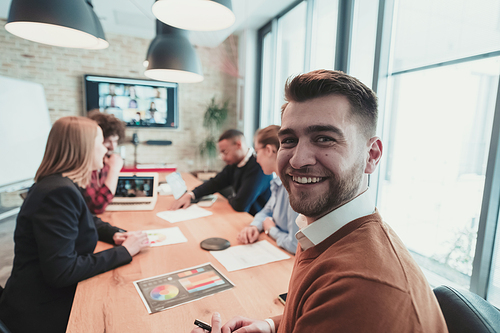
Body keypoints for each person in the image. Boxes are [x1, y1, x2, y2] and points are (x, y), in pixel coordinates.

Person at [191, 70, 448, 332]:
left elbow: (345, 312)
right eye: (289, 140)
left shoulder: (363, 290)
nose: (297, 160)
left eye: (324, 138)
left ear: (371, 156)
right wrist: (269, 326)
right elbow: (315, 311)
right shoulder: (324, 227)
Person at [0, 117, 149, 333]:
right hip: (41, 312)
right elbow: (63, 271)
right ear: (84, 148)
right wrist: (125, 251)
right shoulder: (58, 192)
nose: (106, 150)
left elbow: (86, 219)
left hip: (38, 297)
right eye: (101, 143)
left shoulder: (58, 184)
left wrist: (115, 234)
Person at [171, 129, 272, 216]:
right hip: (240, 217)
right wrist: (191, 195)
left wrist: (230, 198)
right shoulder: (234, 164)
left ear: (238, 144)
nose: (223, 157)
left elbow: (240, 204)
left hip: (254, 221)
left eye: (225, 152)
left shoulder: (258, 166)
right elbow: (215, 183)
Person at [237, 125, 299, 253]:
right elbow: (266, 212)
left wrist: (271, 230)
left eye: (256, 151)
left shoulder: (294, 189)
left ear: (269, 150)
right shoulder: (278, 183)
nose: (256, 159)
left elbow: (294, 245)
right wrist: (254, 226)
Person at [83, 111, 126, 214]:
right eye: (108, 141)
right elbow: (97, 206)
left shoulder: (105, 162)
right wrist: (114, 171)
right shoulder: (86, 166)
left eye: (115, 141)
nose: (113, 147)